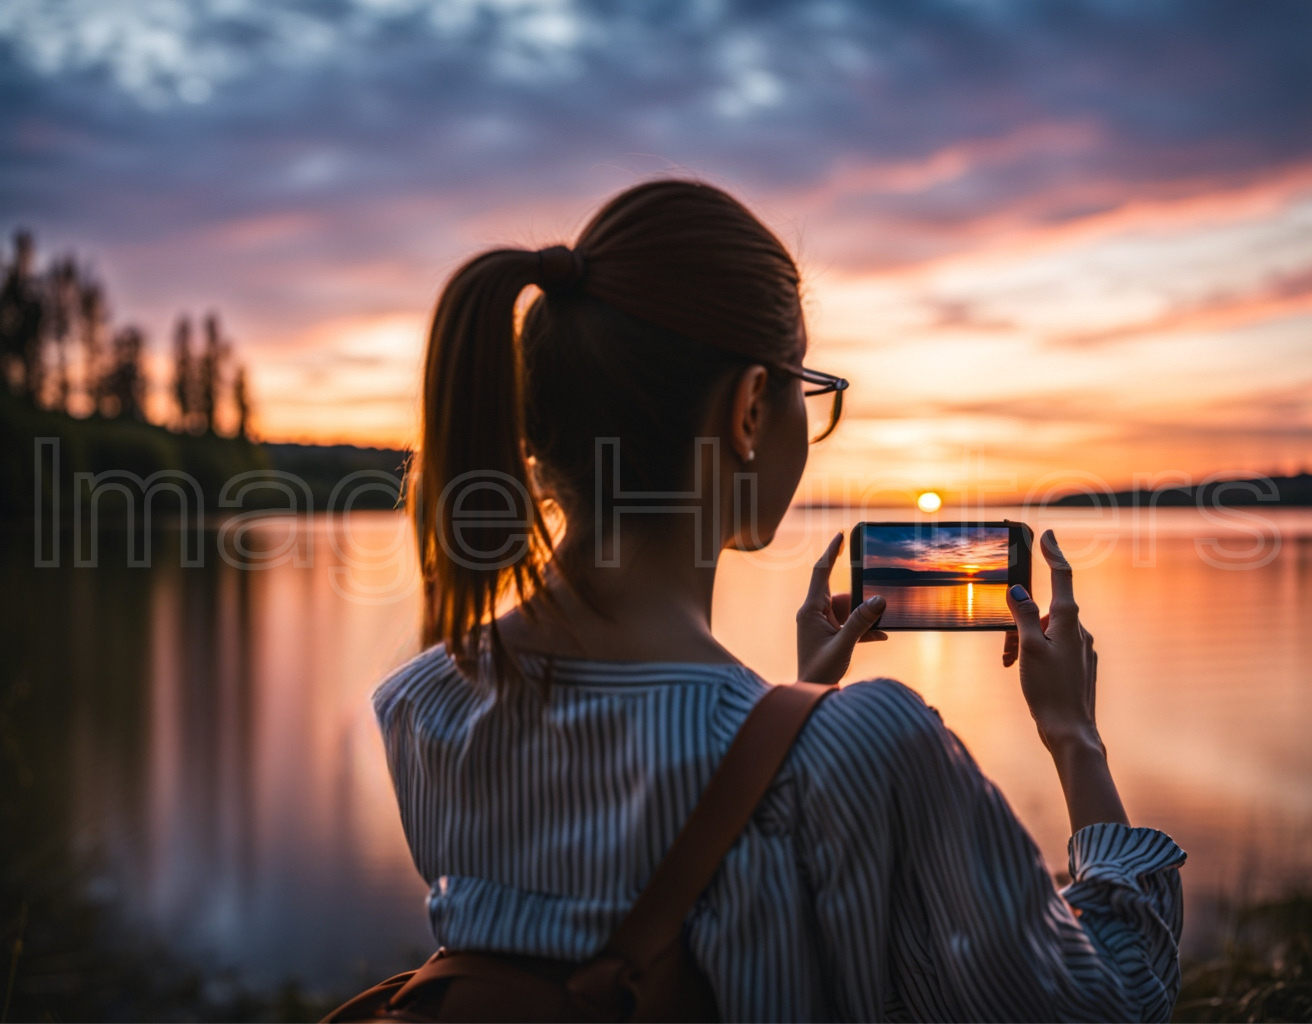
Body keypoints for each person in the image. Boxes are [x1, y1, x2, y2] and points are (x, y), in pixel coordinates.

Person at [373, 179, 1185, 1022]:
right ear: (751, 407)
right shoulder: (873, 751)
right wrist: (1075, 737)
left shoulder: (424, 707)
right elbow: (1116, 1006)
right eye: (808, 387)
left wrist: (793, 716)